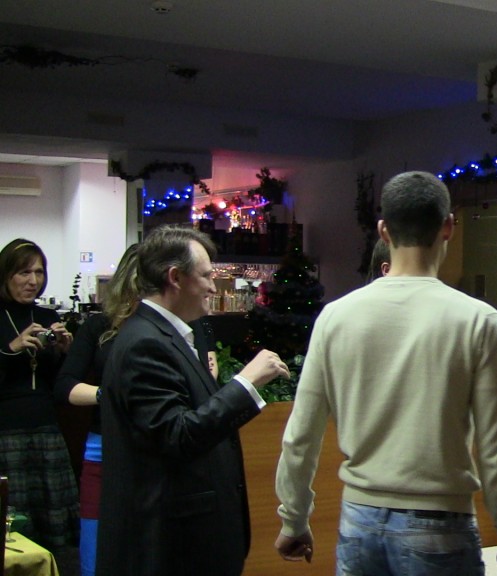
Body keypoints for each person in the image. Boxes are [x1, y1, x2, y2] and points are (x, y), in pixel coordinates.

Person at [275, 171, 497, 575]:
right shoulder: (478, 321)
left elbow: (300, 435)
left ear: (383, 231)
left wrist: (294, 519)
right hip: (441, 523)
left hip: (358, 521)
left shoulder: (335, 317)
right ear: (448, 227)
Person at [96, 226, 289, 576]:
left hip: (187, 540)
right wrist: (246, 382)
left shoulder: (167, 335)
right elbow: (177, 435)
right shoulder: (145, 343)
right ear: (175, 277)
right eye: (206, 276)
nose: (214, 287)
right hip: (170, 545)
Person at [55, 244, 141, 576]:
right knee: (94, 558)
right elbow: (65, 386)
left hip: (154, 452)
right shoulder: (99, 325)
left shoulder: (185, 325)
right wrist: (109, 395)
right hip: (103, 449)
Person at [0, 239, 79, 554]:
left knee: (51, 529)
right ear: (6, 274)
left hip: (46, 428)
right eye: (24, 272)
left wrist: (66, 353)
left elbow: (58, 384)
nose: (33, 281)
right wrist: (12, 348)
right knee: (12, 527)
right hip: (6, 430)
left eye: (39, 272)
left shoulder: (47, 316)